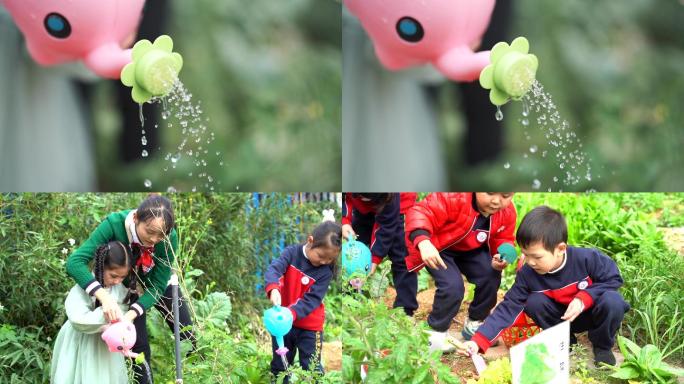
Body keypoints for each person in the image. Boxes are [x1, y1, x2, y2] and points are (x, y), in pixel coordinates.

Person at [459, 206, 630, 366]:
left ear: (560, 249)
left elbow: (613, 279)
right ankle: (565, 341)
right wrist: (478, 341)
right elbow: (508, 308)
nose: (531, 262)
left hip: (590, 314)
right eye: (526, 255)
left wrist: (584, 298)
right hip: (559, 319)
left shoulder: (587, 259)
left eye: (537, 257)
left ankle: (602, 347)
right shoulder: (527, 274)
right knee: (534, 301)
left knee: (612, 300)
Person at [66, 194, 195, 383]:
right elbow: (74, 262)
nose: (154, 239)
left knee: (187, 335)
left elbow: (158, 286)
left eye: (162, 235)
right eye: (150, 231)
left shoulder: (169, 237)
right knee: (137, 347)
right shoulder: (114, 224)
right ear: (136, 218)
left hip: (158, 286)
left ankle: (200, 375)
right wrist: (105, 297)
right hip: (127, 289)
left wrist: (131, 315)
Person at [404, 193, 516, 351]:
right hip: (439, 248)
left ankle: (476, 321)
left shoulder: (507, 212)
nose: (497, 201)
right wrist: (423, 242)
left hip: (472, 250)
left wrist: (503, 255)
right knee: (452, 286)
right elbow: (420, 213)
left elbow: (504, 237)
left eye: (505, 195)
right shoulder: (454, 197)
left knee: (490, 275)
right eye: (490, 192)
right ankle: (435, 331)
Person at [265, 220, 342, 382]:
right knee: (280, 365)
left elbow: (312, 300)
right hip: (283, 325)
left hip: (310, 328)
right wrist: (273, 288)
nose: (324, 262)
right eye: (321, 256)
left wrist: (291, 313)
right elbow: (274, 268)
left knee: (311, 367)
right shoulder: (291, 254)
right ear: (310, 240)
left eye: (329, 260)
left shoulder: (325, 273)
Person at [51, 241, 133, 384]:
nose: (117, 281)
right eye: (113, 276)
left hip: (106, 348)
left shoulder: (119, 289)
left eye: (122, 277)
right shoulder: (83, 287)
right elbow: (77, 319)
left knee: (105, 377)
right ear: (101, 267)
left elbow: (124, 310)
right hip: (80, 340)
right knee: (76, 375)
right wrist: (105, 315)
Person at [341, 193, 418, 315]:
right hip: (362, 208)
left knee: (401, 256)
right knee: (354, 253)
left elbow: (385, 228)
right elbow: (343, 196)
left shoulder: (390, 195)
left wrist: (375, 258)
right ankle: (350, 302)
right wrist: (345, 221)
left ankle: (404, 311)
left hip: (397, 207)